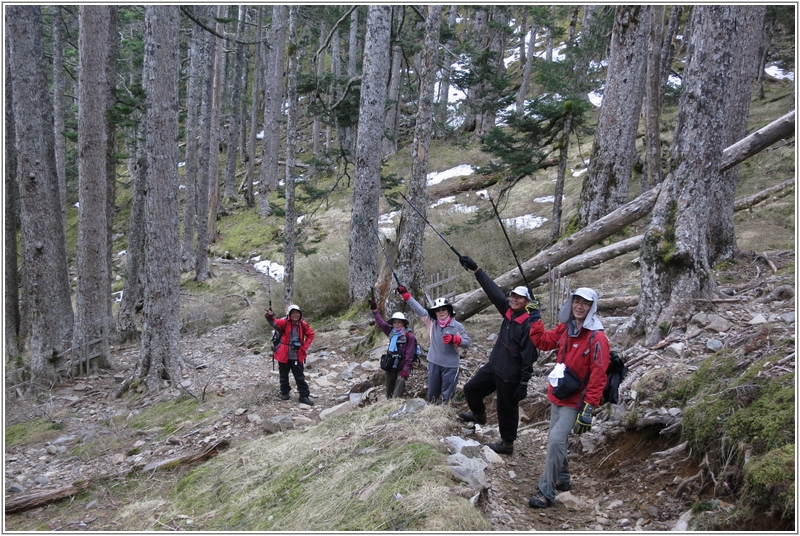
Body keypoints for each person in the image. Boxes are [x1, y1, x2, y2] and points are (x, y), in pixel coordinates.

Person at [526, 287, 610, 508]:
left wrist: (589, 408)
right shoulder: (566, 328)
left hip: (575, 402)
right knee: (557, 440)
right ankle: (563, 478)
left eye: (585, 303)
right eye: (576, 301)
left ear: (592, 307)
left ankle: (546, 491)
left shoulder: (597, 337)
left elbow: (599, 376)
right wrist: (535, 318)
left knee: (555, 440)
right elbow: (543, 342)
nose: (579, 306)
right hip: (558, 394)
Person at [456, 255, 539, 455]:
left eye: (519, 298)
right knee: (471, 389)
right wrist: (476, 269)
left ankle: (507, 444)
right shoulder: (509, 311)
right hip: (494, 366)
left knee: (506, 408)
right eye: (512, 296)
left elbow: (529, 357)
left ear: (527, 302)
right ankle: (479, 415)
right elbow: (492, 291)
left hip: (510, 375)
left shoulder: (528, 324)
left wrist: (524, 383)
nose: (513, 299)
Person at [396, 286, 470, 405]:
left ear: (448, 311)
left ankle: (446, 414)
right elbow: (419, 309)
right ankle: (432, 414)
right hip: (434, 363)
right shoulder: (432, 322)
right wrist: (407, 296)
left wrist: (456, 340)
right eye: (438, 310)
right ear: (435, 312)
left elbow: (467, 343)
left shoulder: (457, 326)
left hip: (450, 366)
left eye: (443, 309)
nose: (441, 312)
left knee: (448, 395)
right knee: (432, 394)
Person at [265, 304, 316, 406]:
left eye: (297, 313)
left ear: (300, 314)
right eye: (293, 313)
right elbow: (274, 322)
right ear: (289, 314)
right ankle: (285, 392)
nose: (295, 315)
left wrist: (304, 347)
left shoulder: (303, 324)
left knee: (300, 376)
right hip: (284, 354)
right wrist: (269, 316)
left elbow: (311, 334)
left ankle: (304, 396)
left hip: (297, 354)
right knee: (283, 375)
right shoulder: (284, 322)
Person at [370, 300, 416, 398]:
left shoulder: (409, 336)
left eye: (399, 322)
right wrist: (375, 311)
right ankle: (389, 401)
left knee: (401, 380)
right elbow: (381, 324)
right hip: (391, 363)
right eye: (395, 322)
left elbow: (409, 355)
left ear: (403, 323)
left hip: (403, 364)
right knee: (389, 384)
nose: (397, 324)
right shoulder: (392, 332)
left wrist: (405, 369)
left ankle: (395, 402)